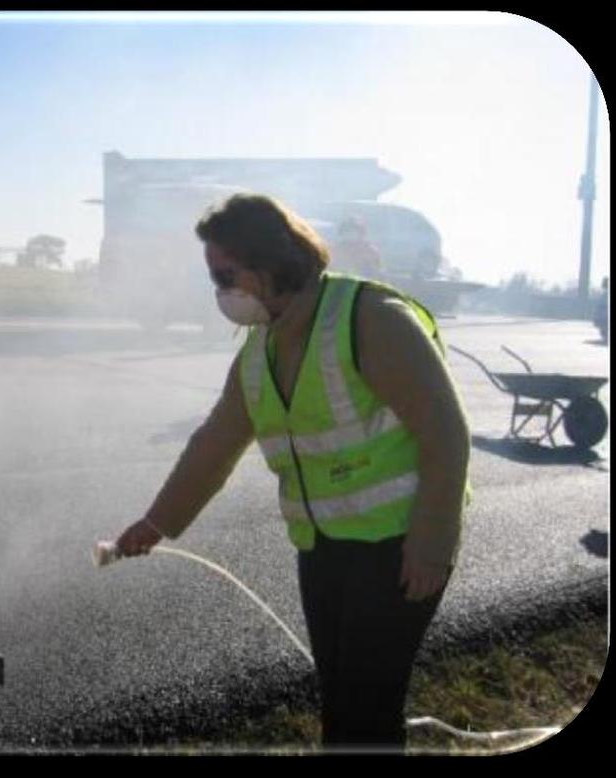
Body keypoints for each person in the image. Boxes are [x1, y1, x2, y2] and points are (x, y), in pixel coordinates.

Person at [112, 193, 471, 752]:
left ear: (269, 262)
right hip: (323, 548)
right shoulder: (261, 349)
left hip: (398, 546)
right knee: (339, 701)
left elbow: (446, 432)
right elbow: (215, 444)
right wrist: (156, 524)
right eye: (214, 278)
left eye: (225, 275)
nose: (220, 291)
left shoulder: (369, 318)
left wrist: (432, 540)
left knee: (367, 707)